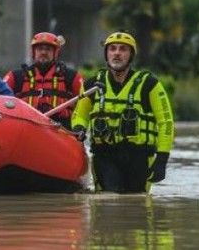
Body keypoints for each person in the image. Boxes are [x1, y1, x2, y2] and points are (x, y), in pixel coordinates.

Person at [71, 31, 175, 193]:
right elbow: (80, 115)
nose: (117, 53)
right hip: (104, 156)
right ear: (106, 54)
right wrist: (79, 128)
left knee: (137, 207)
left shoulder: (150, 84)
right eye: (112, 49)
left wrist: (162, 158)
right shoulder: (92, 84)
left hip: (139, 157)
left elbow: (166, 123)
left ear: (131, 55)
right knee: (108, 205)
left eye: (123, 49)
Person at [3, 32, 84, 129]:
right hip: (26, 128)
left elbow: (85, 104)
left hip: (61, 130)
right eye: (39, 49)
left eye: (48, 49)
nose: (43, 52)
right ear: (33, 52)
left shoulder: (71, 77)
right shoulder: (16, 77)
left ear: (55, 53)